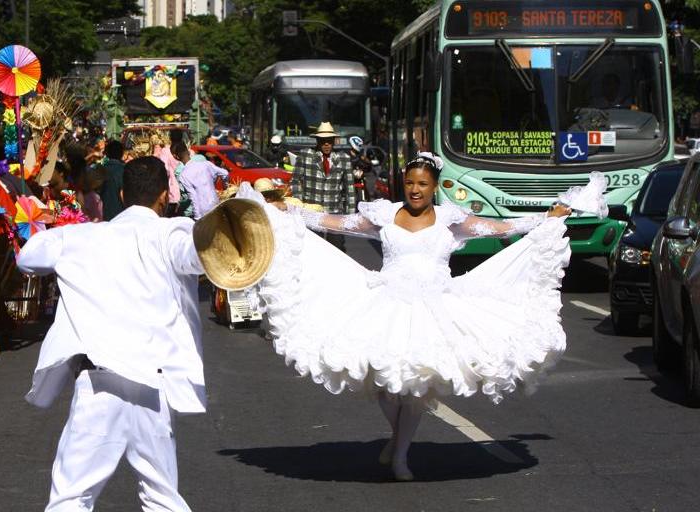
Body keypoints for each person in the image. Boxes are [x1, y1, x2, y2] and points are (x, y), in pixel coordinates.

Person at [249, 152, 601, 482]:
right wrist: (287, 212)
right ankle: (396, 438)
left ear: (435, 187)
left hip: (436, 308)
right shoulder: (384, 215)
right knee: (385, 381)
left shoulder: (451, 220)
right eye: (410, 183)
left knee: (416, 385)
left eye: (423, 184)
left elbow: (501, 227)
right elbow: (335, 222)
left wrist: (546, 219)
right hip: (385, 303)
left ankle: (400, 454)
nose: (415, 190)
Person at [19, 156, 217, 510]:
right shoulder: (172, 233)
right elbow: (197, 255)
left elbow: (28, 257)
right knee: (162, 499)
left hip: (99, 386)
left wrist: (62, 229)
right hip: (152, 390)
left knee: (71, 498)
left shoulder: (82, 237)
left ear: (123, 195)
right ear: (163, 198)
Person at [290, 122, 357, 252]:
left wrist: (350, 217)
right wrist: (299, 204)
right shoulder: (305, 155)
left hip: (334, 213)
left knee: (337, 251)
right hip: (311, 212)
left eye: (329, 141)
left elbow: (349, 190)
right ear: (317, 141)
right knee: (313, 251)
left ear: (334, 141)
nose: (326, 144)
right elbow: (295, 181)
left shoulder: (344, 159)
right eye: (323, 141)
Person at [173, 142, 228, 220]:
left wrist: (197, 218)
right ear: (188, 152)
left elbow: (193, 197)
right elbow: (225, 173)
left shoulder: (183, 175)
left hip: (203, 212)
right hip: (215, 205)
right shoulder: (206, 164)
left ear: (176, 157)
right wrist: (225, 187)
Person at [97, 140, 125, 220]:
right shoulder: (125, 171)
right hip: (121, 215)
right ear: (122, 153)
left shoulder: (100, 170)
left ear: (107, 153)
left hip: (103, 214)